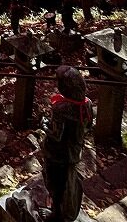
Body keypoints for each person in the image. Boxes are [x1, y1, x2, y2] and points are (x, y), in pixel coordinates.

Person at [43, 66, 94, 222]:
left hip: (58, 154)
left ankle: (56, 214)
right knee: (66, 181)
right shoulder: (87, 103)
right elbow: (89, 126)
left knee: (56, 184)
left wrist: (43, 124)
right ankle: (61, 209)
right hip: (75, 150)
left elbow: (56, 135)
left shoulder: (61, 108)